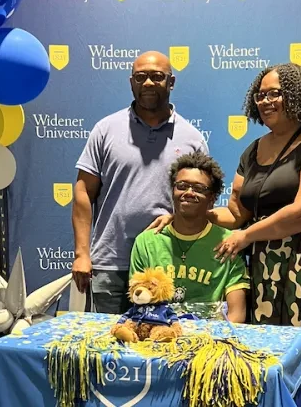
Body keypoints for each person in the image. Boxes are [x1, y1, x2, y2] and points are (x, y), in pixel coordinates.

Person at [149, 63, 301, 407]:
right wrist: (190, 215)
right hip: (270, 266)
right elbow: (236, 214)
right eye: (260, 94)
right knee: (270, 353)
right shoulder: (252, 151)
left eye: (275, 93)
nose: (265, 100)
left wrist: (248, 236)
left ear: (298, 95)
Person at [71, 51, 208, 315]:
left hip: (166, 265)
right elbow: (83, 192)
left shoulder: (193, 138)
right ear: (131, 82)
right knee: (108, 347)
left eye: (157, 77)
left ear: (171, 82)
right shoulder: (105, 129)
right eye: (140, 76)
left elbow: (200, 197)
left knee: (162, 346)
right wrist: (81, 254)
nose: (148, 83)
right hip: (110, 264)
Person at [130, 151, 248, 323]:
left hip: (210, 341)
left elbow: (236, 314)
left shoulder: (228, 242)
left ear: (212, 198)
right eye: (182, 185)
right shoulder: (147, 242)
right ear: (172, 191)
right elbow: (139, 302)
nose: (189, 192)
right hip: (159, 334)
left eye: (199, 188)